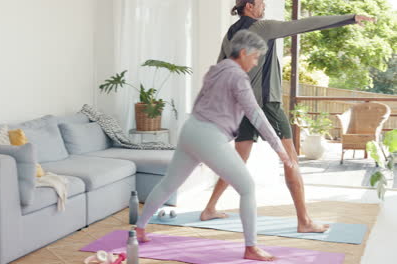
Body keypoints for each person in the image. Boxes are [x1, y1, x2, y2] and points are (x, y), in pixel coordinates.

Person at [200, 0, 375, 234]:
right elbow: (305, 24)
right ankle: (304, 221)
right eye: (261, 3)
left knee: (238, 159)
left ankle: (209, 208)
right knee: (290, 158)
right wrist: (350, 18)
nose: (264, 7)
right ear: (249, 6)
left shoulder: (230, 33)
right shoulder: (262, 28)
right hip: (267, 105)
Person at [135, 30, 294, 261]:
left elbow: (203, 101)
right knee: (247, 187)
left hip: (191, 130)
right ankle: (251, 248)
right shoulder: (238, 77)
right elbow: (256, 115)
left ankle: (140, 227)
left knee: (169, 183)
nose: (256, 62)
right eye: (255, 57)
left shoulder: (216, 69)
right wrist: (279, 148)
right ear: (243, 52)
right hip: (209, 135)